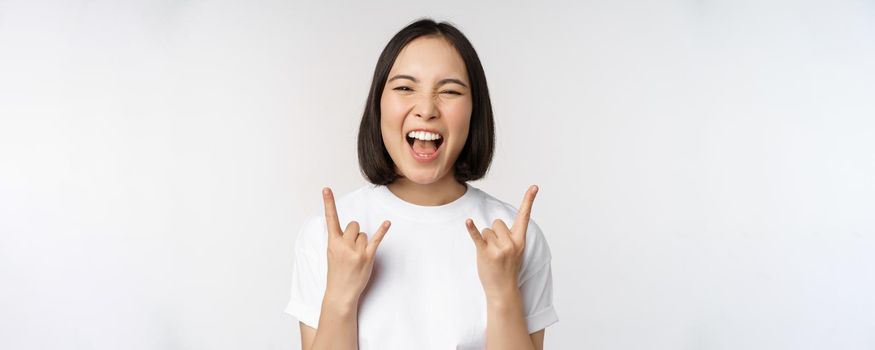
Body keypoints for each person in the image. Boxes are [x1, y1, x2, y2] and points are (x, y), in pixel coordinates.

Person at [285, 18, 558, 350]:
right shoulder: (327, 236)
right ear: (378, 105)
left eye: (450, 91)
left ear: (475, 111)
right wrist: (340, 299)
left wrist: (502, 294)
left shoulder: (516, 239)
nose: (427, 109)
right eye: (404, 88)